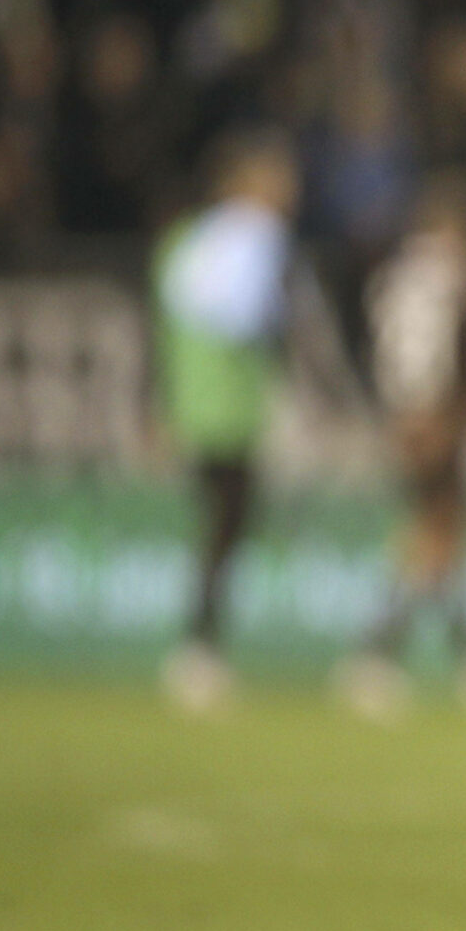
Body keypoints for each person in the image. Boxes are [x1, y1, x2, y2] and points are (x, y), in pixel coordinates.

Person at [155, 127, 298, 712]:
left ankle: (199, 647)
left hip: (191, 405)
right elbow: (255, 319)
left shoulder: (182, 241)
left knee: (215, 528)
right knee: (226, 529)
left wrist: (162, 401)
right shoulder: (259, 237)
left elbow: (162, 324)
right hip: (234, 409)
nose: (290, 190)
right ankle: (201, 647)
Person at [334, 179, 466, 717]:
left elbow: (376, 348)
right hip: (434, 416)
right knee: (433, 534)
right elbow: (447, 353)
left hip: (401, 416)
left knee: (440, 534)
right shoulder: (450, 280)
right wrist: (447, 416)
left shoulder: (393, 278)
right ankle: (381, 651)